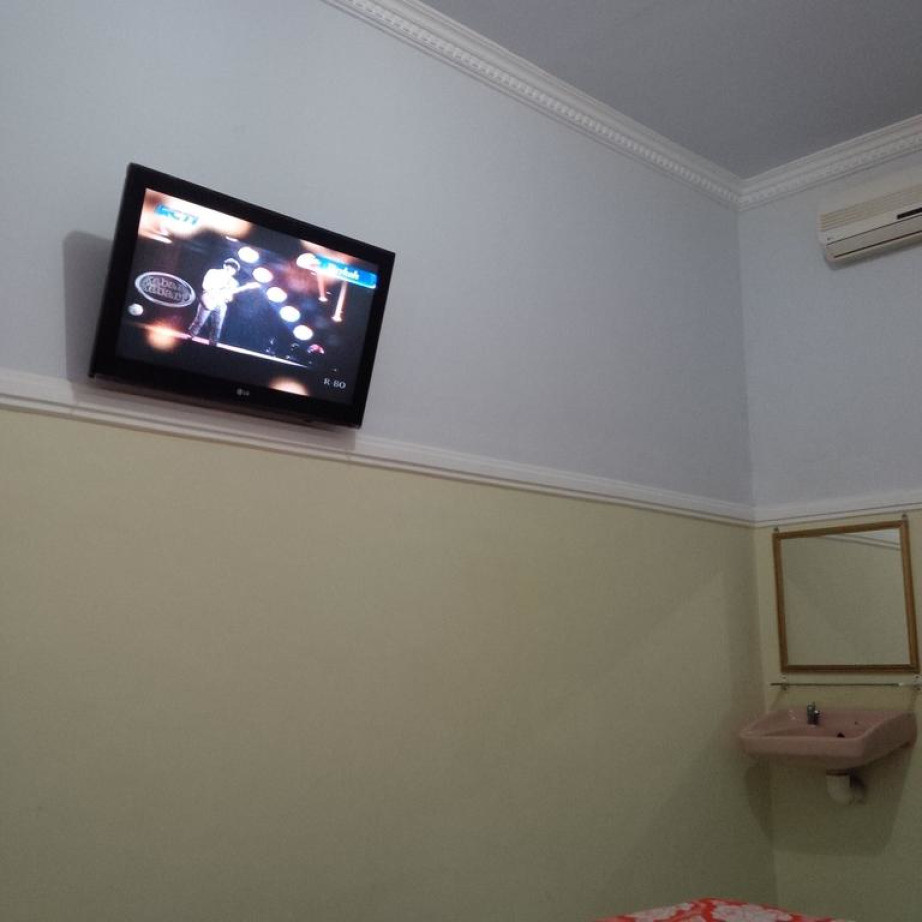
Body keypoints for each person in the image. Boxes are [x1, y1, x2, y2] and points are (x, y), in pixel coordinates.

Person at [187, 257, 259, 346]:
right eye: (229, 266)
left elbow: (230, 296)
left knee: (217, 326)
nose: (231, 269)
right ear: (225, 265)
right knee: (199, 321)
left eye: (233, 269)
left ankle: (213, 344)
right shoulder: (213, 272)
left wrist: (230, 297)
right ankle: (189, 337)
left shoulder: (234, 282)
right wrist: (212, 292)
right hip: (209, 299)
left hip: (221, 303)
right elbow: (205, 284)